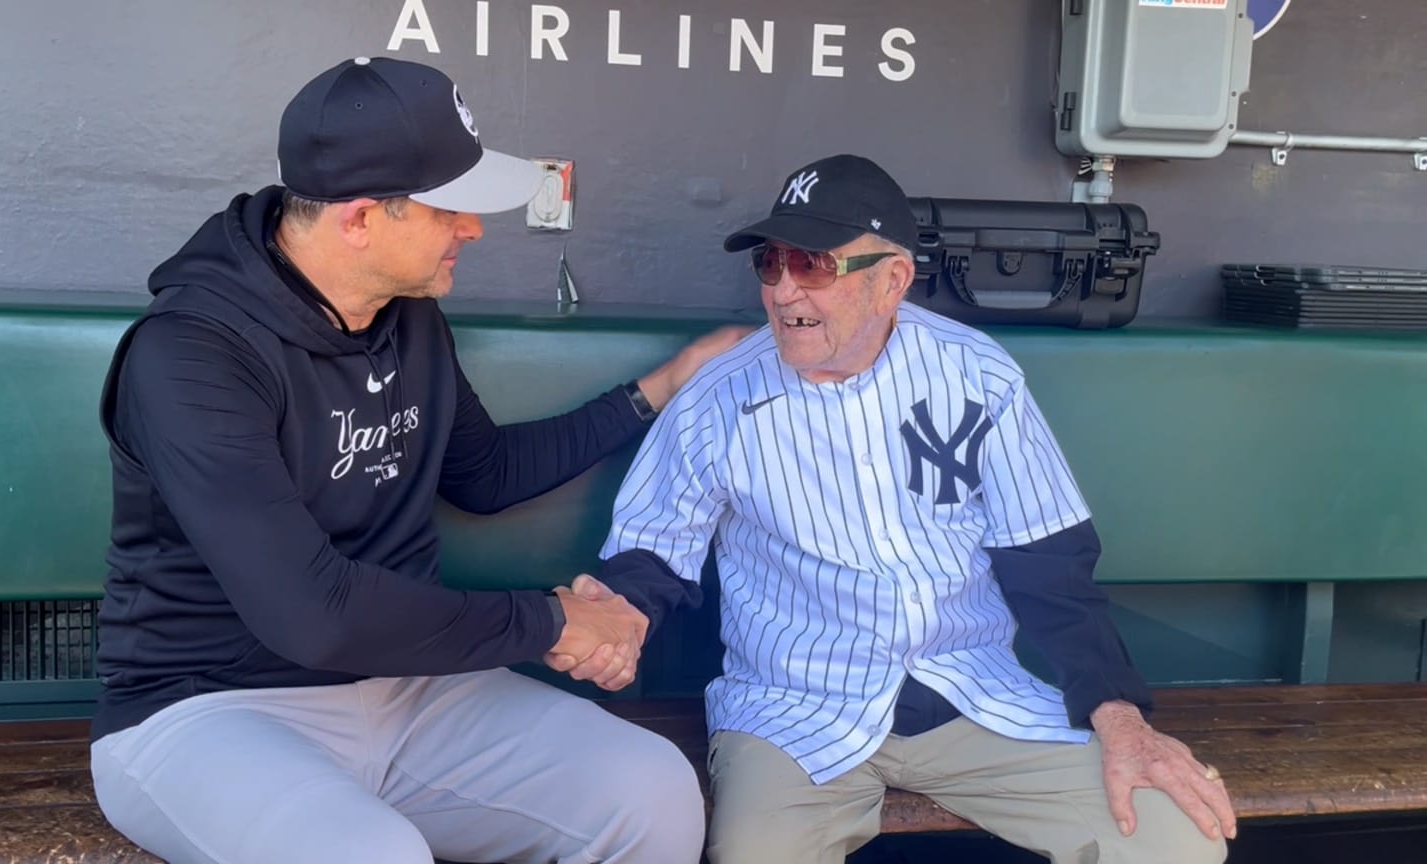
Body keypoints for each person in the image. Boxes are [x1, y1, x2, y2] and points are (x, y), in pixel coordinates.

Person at [89, 56, 747, 864]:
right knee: (369, 853)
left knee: (651, 791)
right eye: (451, 210)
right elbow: (315, 614)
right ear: (361, 219)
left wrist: (661, 387)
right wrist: (549, 619)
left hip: (413, 693)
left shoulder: (410, 319)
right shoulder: (192, 356)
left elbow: (487, 474)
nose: (473, 228)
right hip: (212, 710)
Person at [580, 154, 1237, 863]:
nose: (782, 289)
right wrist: (616, 619)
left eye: (813, 264)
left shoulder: (977, 373)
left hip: (974, 698)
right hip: (796, 711)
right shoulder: (718, 397)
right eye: (771, 263)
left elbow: (1052, 567)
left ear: (891, 281)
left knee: (1175, 838)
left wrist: (1121, 717)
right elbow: (652, 552)